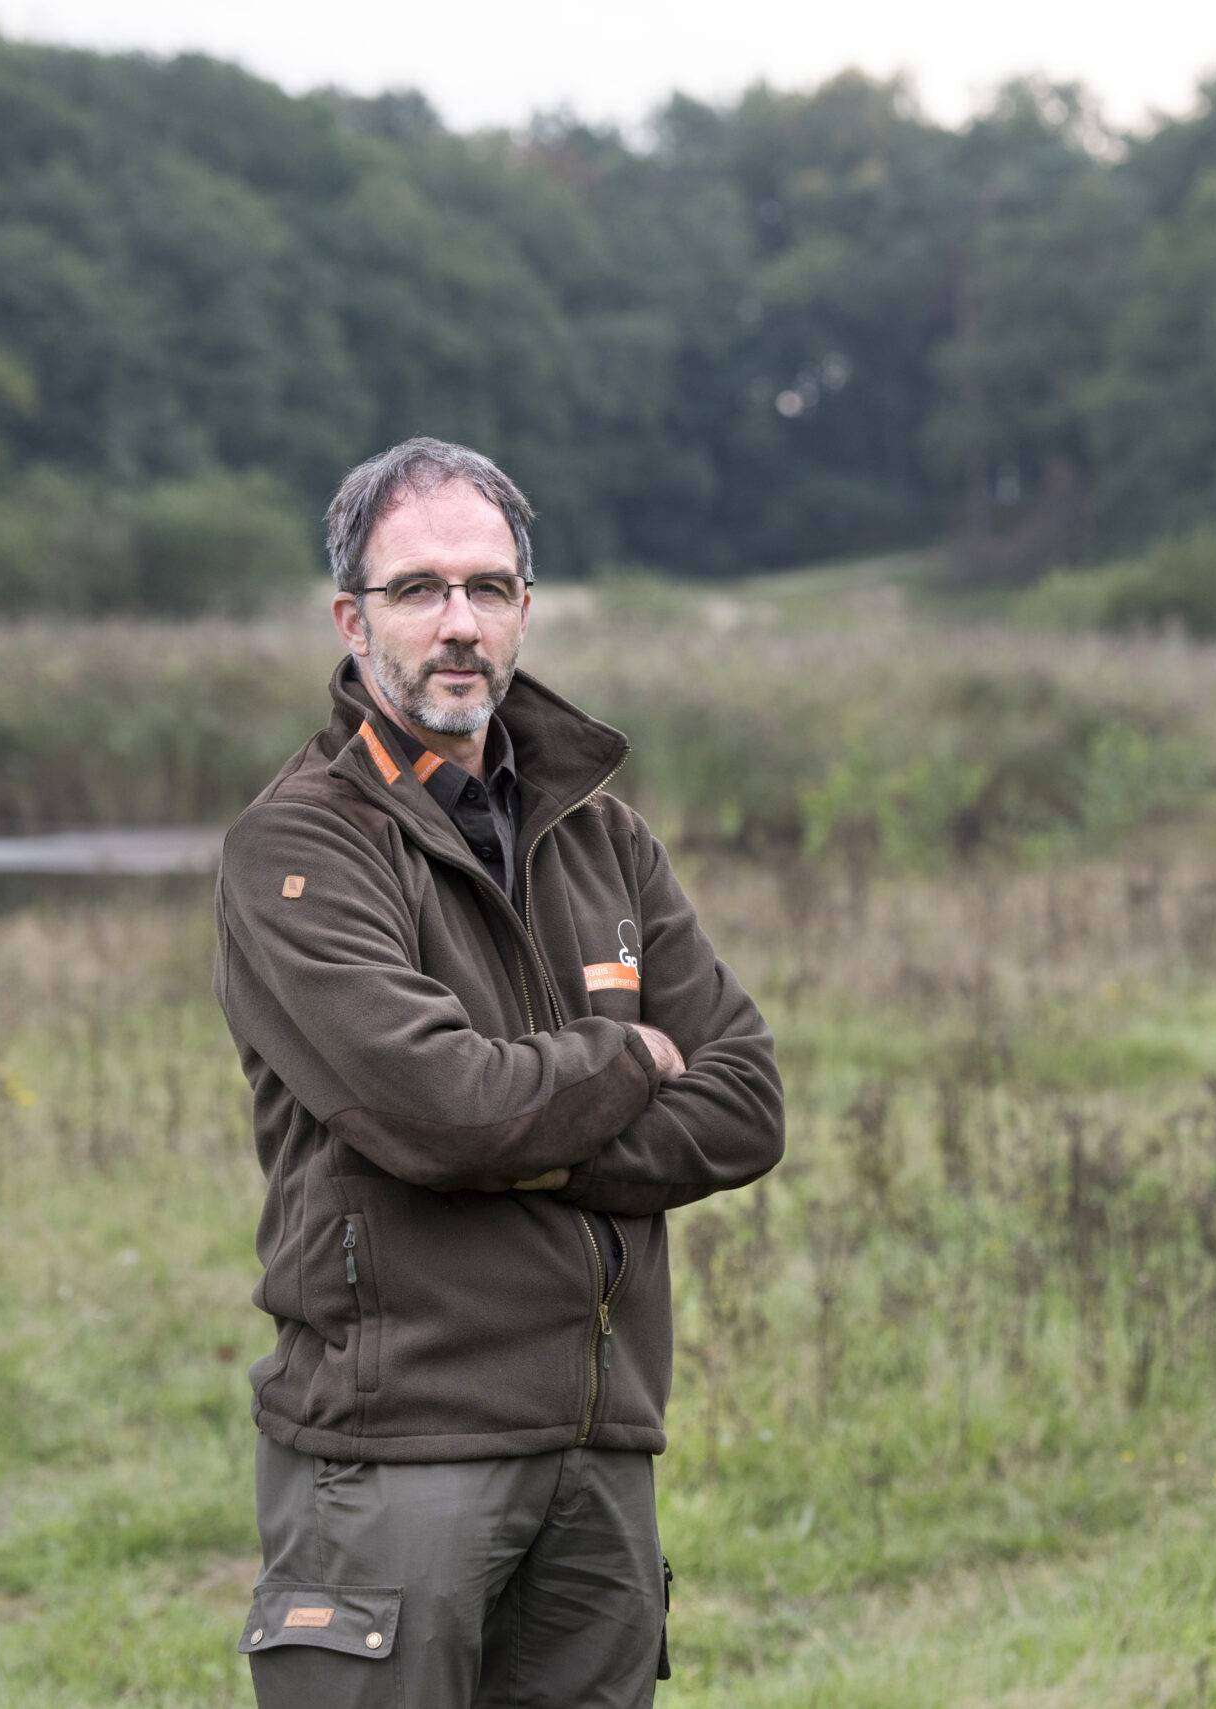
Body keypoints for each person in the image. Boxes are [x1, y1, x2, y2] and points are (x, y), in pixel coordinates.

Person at [212, 435, 786, 1707]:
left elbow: (745, 1099)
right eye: (418, 590)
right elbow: (438, 1109)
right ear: (353, 621)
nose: (456, 623)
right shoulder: (300, 847)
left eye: (487, 586)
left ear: (526, 606)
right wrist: (631, 1054)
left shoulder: (601, 833)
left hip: (600, 1449)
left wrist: (526, 1129)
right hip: (398, 1457)